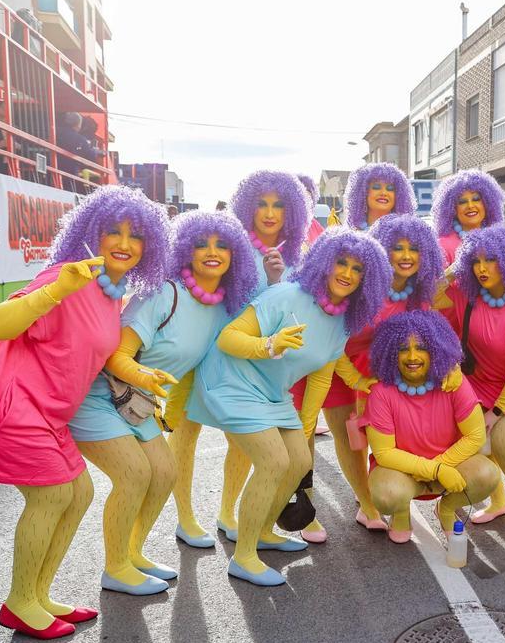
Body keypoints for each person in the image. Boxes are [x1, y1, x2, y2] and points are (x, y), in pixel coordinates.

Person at [0, 185, 171, 638]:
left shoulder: (112, 291)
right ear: (91, 232)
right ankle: (20, 602)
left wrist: (142, 375)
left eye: (136, 235)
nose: (124, 243)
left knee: (78, 493)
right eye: (113, 231)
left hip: (45, 410)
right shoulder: (68, 275)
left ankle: (38, 595)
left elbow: (98, 354)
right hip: (7, 398)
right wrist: (57, 289)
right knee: (50, 496)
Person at [186, 229, 390, 586]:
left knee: (299, 461)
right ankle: (243, 557)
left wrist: (306, 425)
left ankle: (265, 531)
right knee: (274, 462)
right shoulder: (287, 295)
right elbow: (228, 338)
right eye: (341, 263)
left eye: (357, 269)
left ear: (366, 279)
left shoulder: (342, 321)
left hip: (273, 393)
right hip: (232, 382)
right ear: (324, 263)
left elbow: (322, 375)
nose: (346, 273)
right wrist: (269, 344)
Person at [70, 211, 258, 586]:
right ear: (185, 249)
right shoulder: (163, 293)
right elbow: (117, 356)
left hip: (139, 405)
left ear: (235, 254)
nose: (212, 251)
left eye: (222, 245)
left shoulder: (222, 309)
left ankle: (133, 553)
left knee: (165, 473)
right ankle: (116, 568)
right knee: (135, 474)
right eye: (201, 243)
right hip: (99, 396)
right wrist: (146, 378)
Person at [167, 170, 310, 547]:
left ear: (292, 211)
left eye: (279, 205)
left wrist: (277, 283)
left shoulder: (296, 259)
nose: (270, 212)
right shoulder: (231, 243)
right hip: (202, 347)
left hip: (250, 363)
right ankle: (185, 517)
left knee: (243, 441)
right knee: (185, 432)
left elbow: (289, 313)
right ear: (248, 205)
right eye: (262, 203)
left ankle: (229, 513)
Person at [294, 162, 416, 543]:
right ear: (361, 193)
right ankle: (303, 509)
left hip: (369, 355)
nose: (382, 193)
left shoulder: (408, 239)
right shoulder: (345, 236)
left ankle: (367, 502)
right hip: (326, 347)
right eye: (374, 186)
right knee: (305, 430)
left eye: (390, 187)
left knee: (353, 435)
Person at [324, 214, 447, 535]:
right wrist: (353, 378)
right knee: (351, 439)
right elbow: (328, 336)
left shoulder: (419, 293)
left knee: (382, 438)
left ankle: (385, 494)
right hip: (335, 364)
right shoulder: (363, 286)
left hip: (380, 372)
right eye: (398, 248)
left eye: (414, 249)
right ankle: (366, 504)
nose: (406, 256)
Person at [437, 224, 505, 534]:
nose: (482, 268)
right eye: (476, 261)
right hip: (478, 379)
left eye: (491, 260)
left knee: (500, 440)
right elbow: (429, 297)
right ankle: (498, 502)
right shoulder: (468, 293)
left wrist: (495, 413)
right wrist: (452, 272)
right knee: (472, 438)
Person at [365, 310, 501, 541]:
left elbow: (476, 435)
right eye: (403, 349)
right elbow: (384, 452)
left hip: (451, 464)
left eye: (421, 347)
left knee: (487, 475)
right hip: (402, 473)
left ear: (436, 349)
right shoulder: (380, 392)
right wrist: (435, 470)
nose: (412, 356)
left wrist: (441, 465)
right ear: (390, 353)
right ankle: (400, 513)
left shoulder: (454, 383)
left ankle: (446, 509)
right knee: (387, 495)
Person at [431, 169, 505, 265]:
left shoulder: (500, 240)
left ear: (487, 203)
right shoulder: (443, 246)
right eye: (462, 202)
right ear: (452, 209)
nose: (470, 206)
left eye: (476, 199)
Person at [297, 173, 327, 245]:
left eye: (308, 197)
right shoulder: (284, 224)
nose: (305, 201)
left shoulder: (314, 224)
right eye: (301, 196)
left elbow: (325, 244)